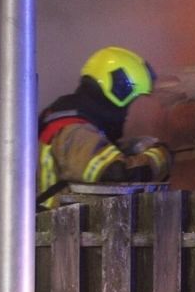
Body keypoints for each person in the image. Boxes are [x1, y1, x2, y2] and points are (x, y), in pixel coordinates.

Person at [37, 47, 172, 208]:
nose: (127, 112)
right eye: (130, 101)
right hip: (48, 228)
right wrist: (160, 156)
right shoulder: (74, 129)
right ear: (118, 89)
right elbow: (115, 175)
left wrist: (128, 149)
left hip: (54, 227)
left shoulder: (72, 119)